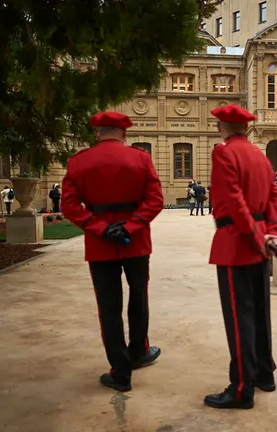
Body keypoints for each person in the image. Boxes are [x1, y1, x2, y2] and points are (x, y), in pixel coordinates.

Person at [61, 111, 164, 392]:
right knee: (139, 298)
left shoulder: (79, 162)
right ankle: (139, 351)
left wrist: (101, 228)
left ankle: (121, 372)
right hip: (136, 241)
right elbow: (155, 201)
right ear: (124, 134)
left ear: (97, 133)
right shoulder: (141, 159)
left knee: (109, 307)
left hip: (100, 244)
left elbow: (69, 206)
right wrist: (130, 227)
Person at [204, 104, 277, 410]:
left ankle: (241, 388)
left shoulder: (223, 153)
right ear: (247, 128)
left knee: (239, 317)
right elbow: (275, 198)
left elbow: (234, 200)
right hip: (261, 243)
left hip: (237, 242)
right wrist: (270, 235)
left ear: (221, 126)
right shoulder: (261, 157)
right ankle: (264, 373)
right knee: (260, 311)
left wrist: (252, 233)